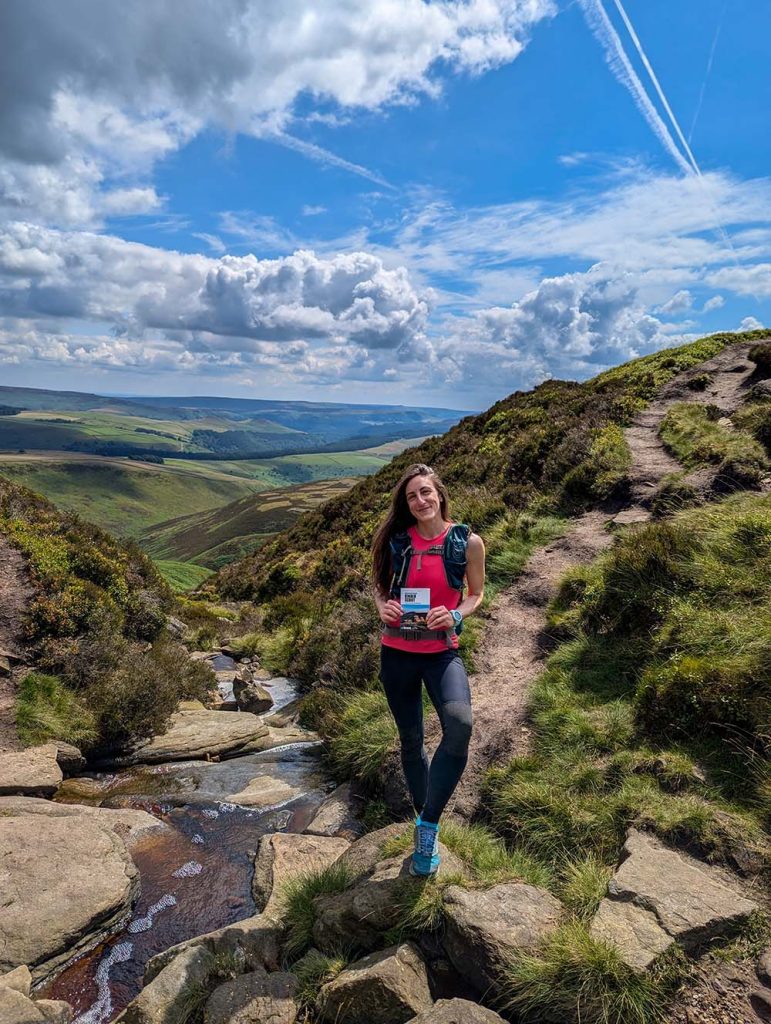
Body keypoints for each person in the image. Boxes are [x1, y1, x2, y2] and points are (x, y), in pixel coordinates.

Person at [371, 463, 485, 876]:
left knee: (460, 725)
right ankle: (424, 824)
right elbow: (381, 588)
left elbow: (476, 594)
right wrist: (383, 605)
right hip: (396, 652)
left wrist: (455, 615)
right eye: (411, 496)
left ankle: (430, 820)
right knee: (411, 740)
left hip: (441, 652)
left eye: (425, 493)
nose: (420, 501)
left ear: (439, 494)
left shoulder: (466, 543)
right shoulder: (397, 542)